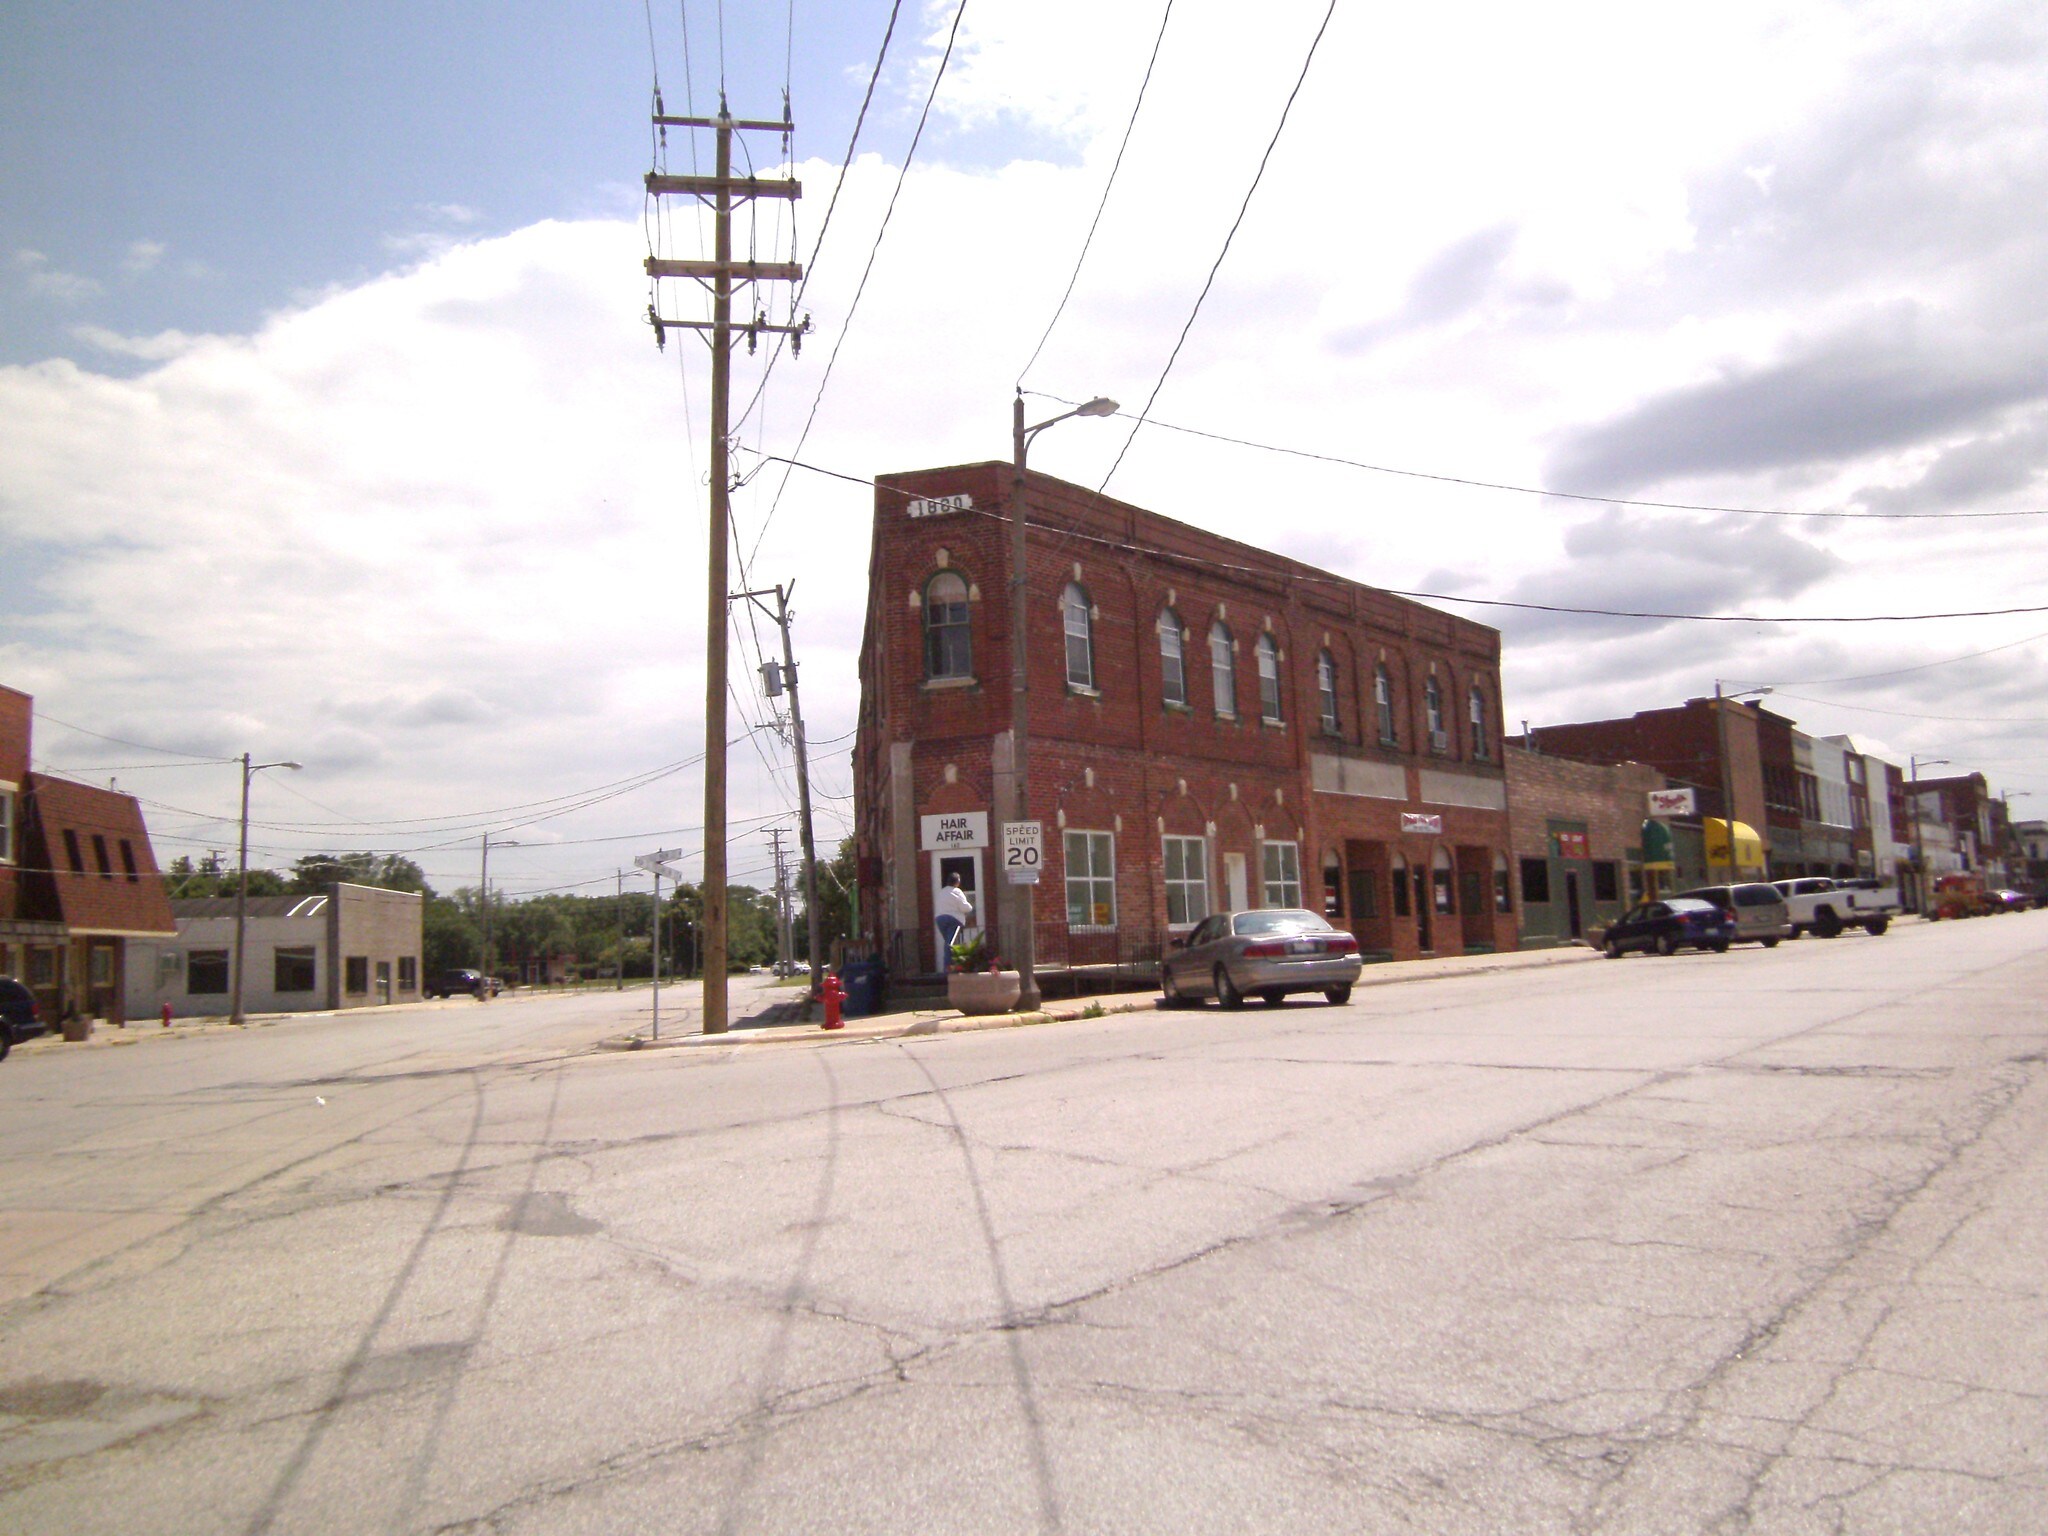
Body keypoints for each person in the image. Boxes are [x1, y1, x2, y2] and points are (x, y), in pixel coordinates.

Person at [934, 873, 975, 972]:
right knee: (952, 944)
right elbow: (965, 907)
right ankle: (950, 969)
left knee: (948, 943)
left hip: (940, 919)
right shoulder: (957, 891)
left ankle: (950, 966)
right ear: (957, 882)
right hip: (954, 919)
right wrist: (971, 907)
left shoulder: (942, 892)